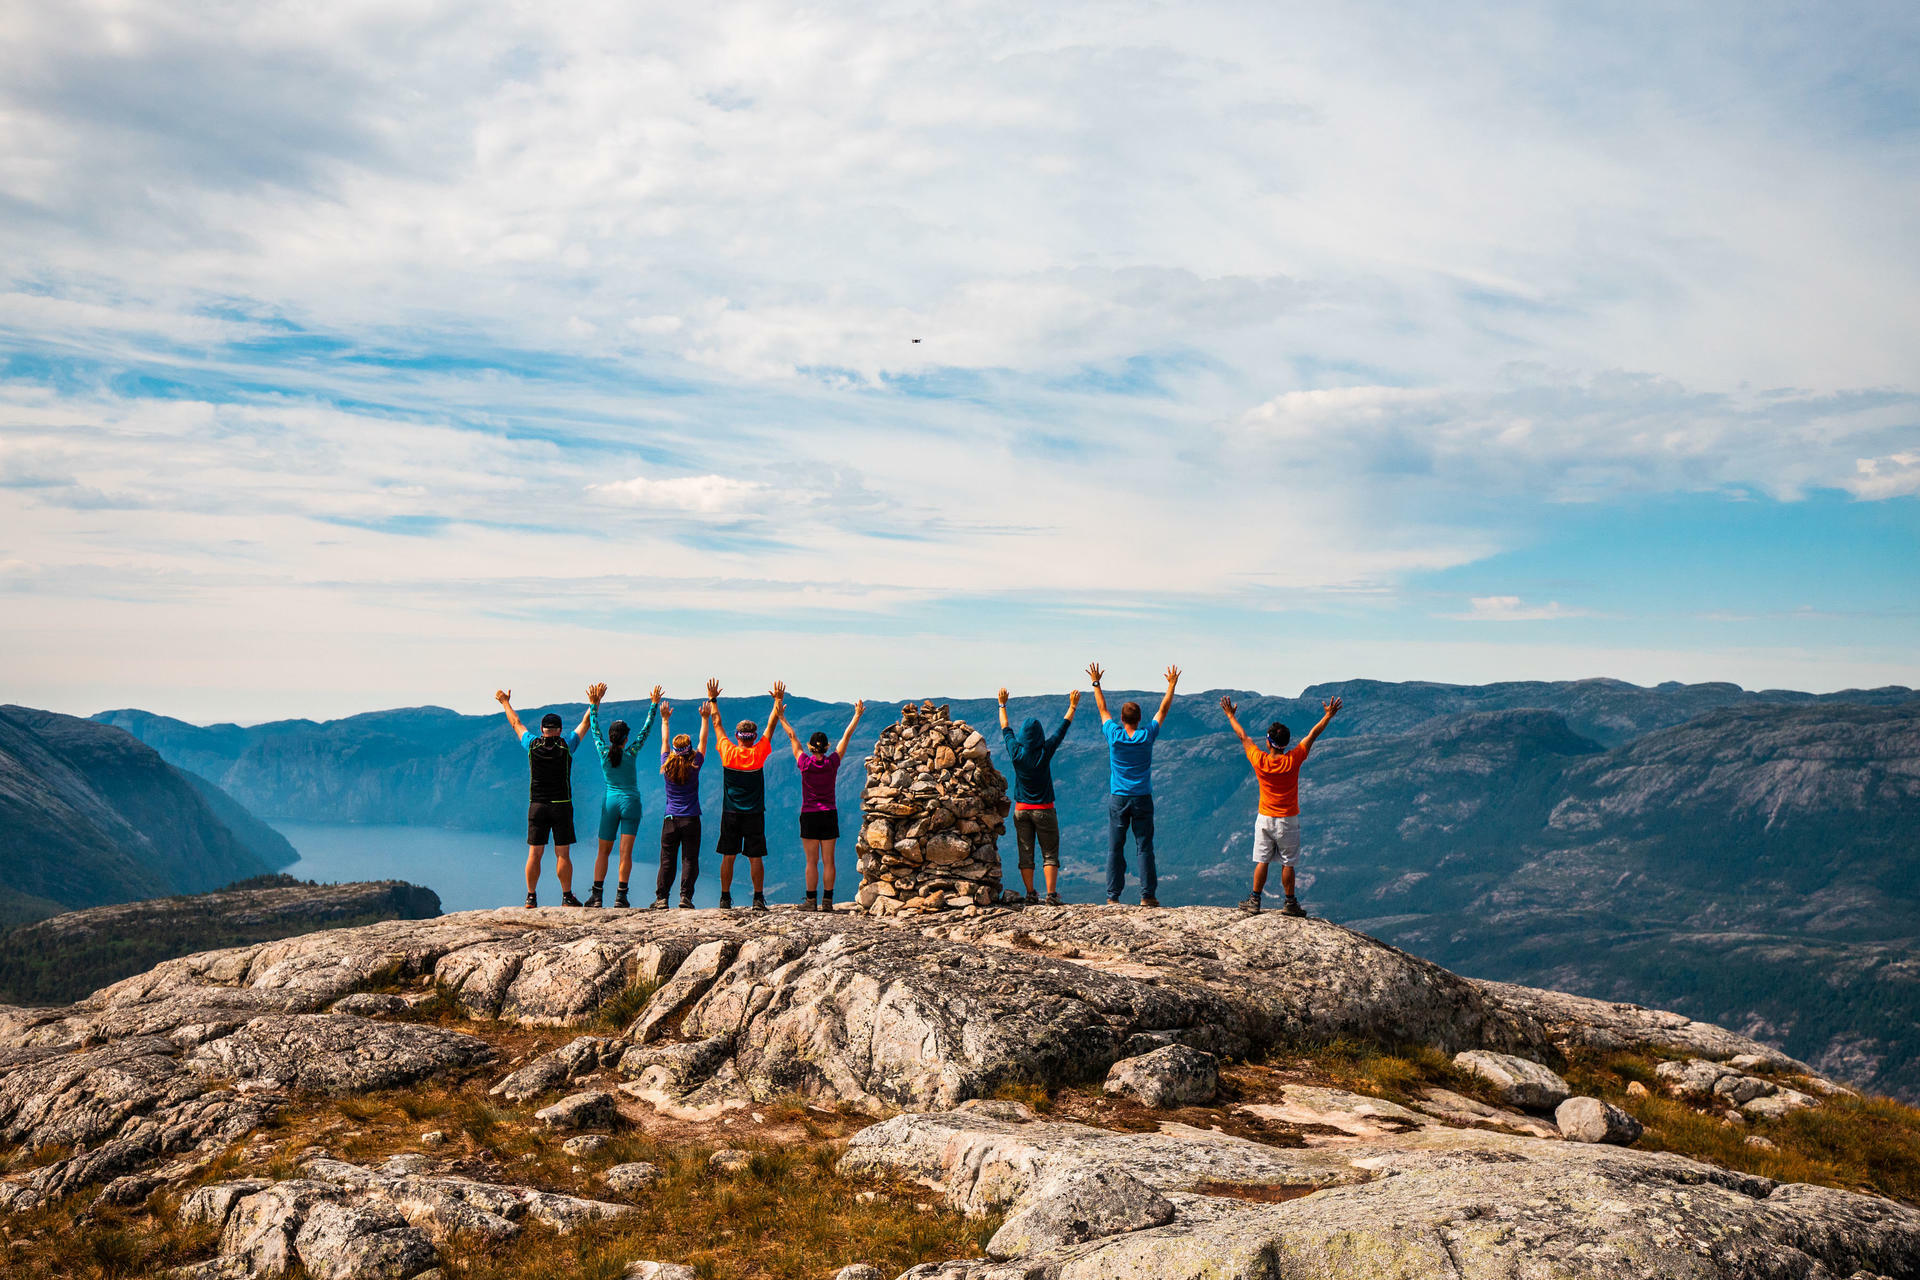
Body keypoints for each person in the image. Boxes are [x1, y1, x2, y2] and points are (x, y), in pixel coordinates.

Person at [1220, 694, 1341, 916]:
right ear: (1285, 744)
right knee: (1288, 863)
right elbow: (1312, 735)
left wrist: (1230, 715)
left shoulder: (1260, 760)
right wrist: (1328, 716)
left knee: (1262, 860)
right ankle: (1289, 902)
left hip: (1265, 817)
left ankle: (1255, 900)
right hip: (1288, 819)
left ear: (1268, 742)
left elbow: (1243, 736)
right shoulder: (1293, 760)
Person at [1086, 662, 1179, 907]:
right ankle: (1147, 896)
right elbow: (1163, 709)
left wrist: (1096, 683)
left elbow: (1102, 708)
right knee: (1144, 847)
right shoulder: (1146, 735)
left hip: (1118, 797)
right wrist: (1171, 685)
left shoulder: (1113, 736)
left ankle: (1112, 896)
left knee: (1115, 848)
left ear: (1121, 719)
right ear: (1139, 719)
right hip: (1142, 798)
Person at [494, 688, 591, 908]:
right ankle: (567, 897)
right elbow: (585, 724)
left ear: (542, 730)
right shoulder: (566, 746)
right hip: (562, 806)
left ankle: (530, 897)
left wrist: (504, 702)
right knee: (562, 854)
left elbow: (516, 723)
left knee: (534, 854)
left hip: (536, 805)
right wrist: (594, 703)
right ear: (560, 730)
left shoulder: (532, 745)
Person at [778, 697, 866, 911]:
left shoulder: (804, 763)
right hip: (829, 814)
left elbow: (792, 736)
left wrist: (780, 715)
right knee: (829, 861)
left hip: (809, 815)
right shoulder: (833, 762)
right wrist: (856, 715)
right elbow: (846, 736)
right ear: (827, 747)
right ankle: (827, 902)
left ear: (810, 747)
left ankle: (810, 901)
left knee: (811, 861)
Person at [996, 686, 1079, 905]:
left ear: (1023, 736)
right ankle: (1051, 895)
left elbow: (1006, 728)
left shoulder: (1016, 752)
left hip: (1021, 810)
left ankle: (1031, 893)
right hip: (1044, 809)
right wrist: (1072, 706)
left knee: (1026, 853)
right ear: (1040, 735)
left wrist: (1002, 704)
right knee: (1049, 853)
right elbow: (1062, 729)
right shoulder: (1045, 750)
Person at [709, 677, 785, 912]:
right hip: (754, 813)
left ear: (738, 736)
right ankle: (758, 899)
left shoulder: (727, 752)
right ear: (753, 737)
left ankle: (724, 898)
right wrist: (777, 702)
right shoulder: (759, 753)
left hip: (730, 812)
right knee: (755, 857)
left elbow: (716, 723)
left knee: (728, 856)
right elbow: (771, 727)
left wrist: (713, 699)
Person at [584, 681, 660, 908]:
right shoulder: (632, 751)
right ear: (626, 738)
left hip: (611, 802)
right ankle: (621, 896)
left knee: (603, 852)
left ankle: (597, 896)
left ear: (610, 738)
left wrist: (594, 704)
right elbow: (646, 730)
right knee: (625, 853)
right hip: (631, 803)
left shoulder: (602, 751)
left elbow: (594, 728)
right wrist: (654, 704)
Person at [656, 697, 711, 909]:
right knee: (689, 859)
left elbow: (664, 741)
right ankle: (685, 897)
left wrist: (665, 720)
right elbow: (703, 741)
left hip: (670, 819)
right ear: (689, 749)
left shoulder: (666, 764)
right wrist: (705, 718)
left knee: (667, 860)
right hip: (691, 819)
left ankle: (662, 899)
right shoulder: (695, 764)